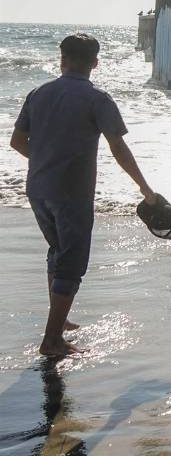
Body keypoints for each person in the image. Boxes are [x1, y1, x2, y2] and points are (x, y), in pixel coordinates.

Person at [8, 34, 156, 357]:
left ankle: (58, 322)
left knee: (58, 249)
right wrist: (144, 188)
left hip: (37, 188)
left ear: (61, 59)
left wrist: (47, 160)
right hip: (71, 192)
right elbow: (118, 147)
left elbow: (17, 142)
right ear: (95, 63)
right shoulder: (97, 99)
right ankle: (52, 341)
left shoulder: (38, 94)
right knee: (72, 263)